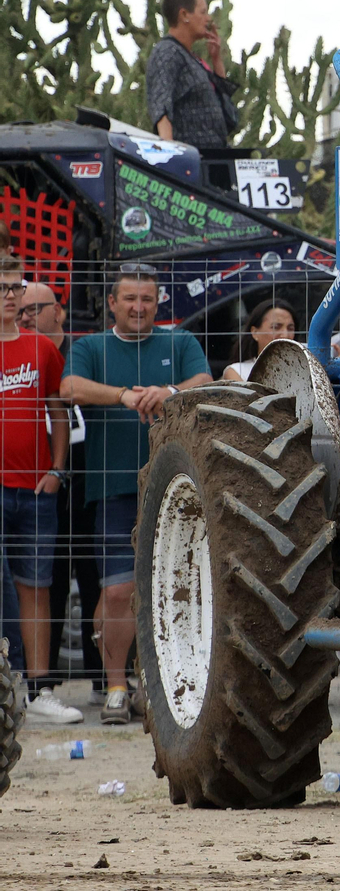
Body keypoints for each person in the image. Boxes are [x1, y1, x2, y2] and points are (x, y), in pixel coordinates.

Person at [60, 263, 211, 724]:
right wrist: (125, 396)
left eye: (147, 298)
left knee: (167, 588)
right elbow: (69, 387)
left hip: (176, 488)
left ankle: (153, 683)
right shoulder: (90, 346)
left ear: (159, 301)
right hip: (114, 487)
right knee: (118, 591)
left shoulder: (180, 341)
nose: (139, 307)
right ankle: (116, 687)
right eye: (130, 298)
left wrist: (169, 392)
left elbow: (205, 383)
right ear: (112, 303)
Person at [18, 282, 102, 706]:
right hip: (38, 479)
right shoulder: (19, 352)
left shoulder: (82, 352)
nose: (27, 316)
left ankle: (104, 680)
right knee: (43, 581)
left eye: (36, 308)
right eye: (22, 310)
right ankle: (42, 685)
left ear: (60, 312)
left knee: (96, 577)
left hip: (88, 477)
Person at [0, 259, 76, 723]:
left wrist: (57, 470)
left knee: (36, 586)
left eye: (16, 287)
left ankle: (39, 689)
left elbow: (58, 410)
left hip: (35, 486)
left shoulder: (42, 348)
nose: (11, 296)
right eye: (2, 287)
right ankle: (6, 688)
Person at [145, 0, 236, 148]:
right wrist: (169, 154)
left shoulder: (193, 60)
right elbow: (161, 105)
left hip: (215, 156)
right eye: (203, 12)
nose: (208, 19)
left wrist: (216, 60)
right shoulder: (167, 52)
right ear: (184, 15)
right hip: (191, 157)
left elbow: (227, 113)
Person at [222, 299, 297, 381]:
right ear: (255, 332)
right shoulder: (238, 371)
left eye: (290, 328)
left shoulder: (302, 370)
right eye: (276, 327)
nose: (285, 335)